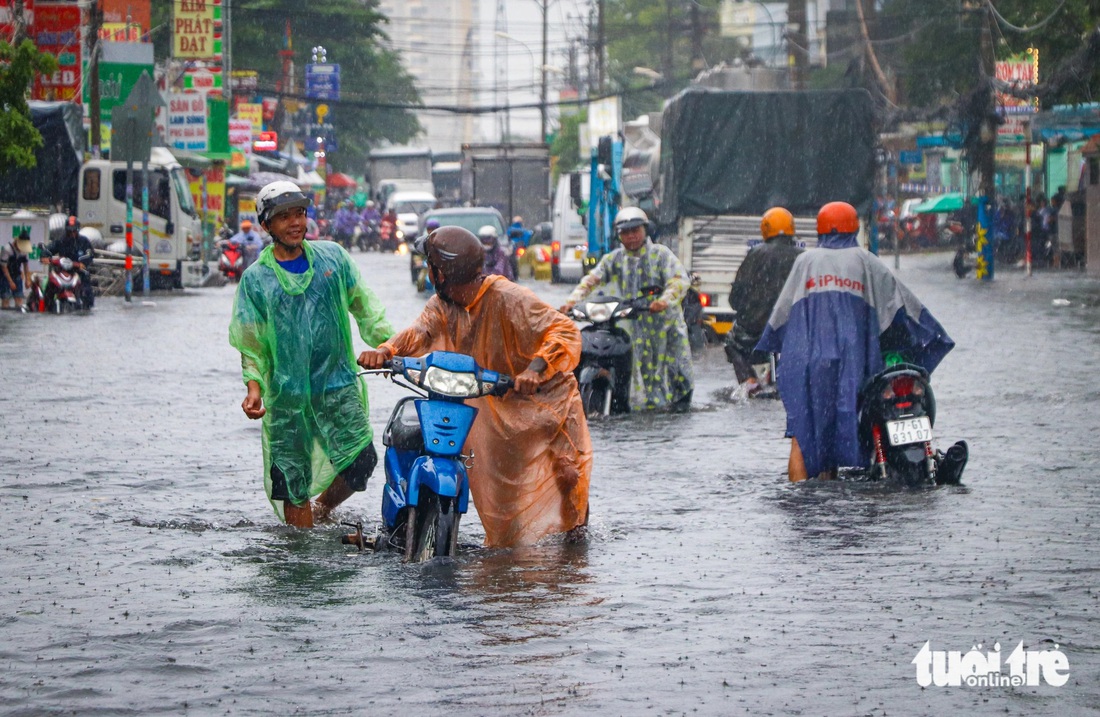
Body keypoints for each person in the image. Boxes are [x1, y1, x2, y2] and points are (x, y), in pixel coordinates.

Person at [359, 226, 592, 548]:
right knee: (500, 491)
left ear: (440, 272)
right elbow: (418, 333)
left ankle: (574, 549)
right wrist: (386, 351)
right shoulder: (442, 305)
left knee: (568, 477)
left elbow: (563, 330)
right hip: (493, 400)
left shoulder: (508, 297)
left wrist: (535, 369)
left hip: (545, 402)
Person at [228, 180, 395, 528]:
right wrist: (253, 389)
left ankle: (323, 510)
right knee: (292, 483)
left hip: (337, 386)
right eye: (284, 216)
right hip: (287, 399)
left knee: (362, 460)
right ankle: (300, 554)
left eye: (300, 214)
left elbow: (366, 308)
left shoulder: (333, 258)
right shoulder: (256, 280)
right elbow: (251, 344)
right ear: (266, 226)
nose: (295, 223)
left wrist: (389, 346)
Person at [756, 201, 955, 482]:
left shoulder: (806, 262)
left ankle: (804, 496)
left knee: (804, 433)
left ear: (820, 229)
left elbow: (782, 319)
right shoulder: (866, 261)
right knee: (851, 417)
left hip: (811, 363)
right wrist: (931, 336)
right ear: (855, 227)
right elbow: (901, 307)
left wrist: (772, 346)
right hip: (855, 362)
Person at [560, 207, 694, 410]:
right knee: (644, 372)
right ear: (619, 235)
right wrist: (571, 302)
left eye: (635, 230)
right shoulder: (614, 259)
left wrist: (664, 301)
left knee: (676, 370)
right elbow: (591, 281)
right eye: (625, 232)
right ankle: (646, 408)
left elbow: (678, 280)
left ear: (645, 230)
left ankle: (678, 408)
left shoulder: (661, 255)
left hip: (665, 326)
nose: (631, 236)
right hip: (635, 326)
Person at [724, 207, 804, 394]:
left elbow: (737, 294)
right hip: (792, 327)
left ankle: (750, 381)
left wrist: (741, 306)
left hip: (756, 328)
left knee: (731, 343)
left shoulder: (756, 254)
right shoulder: (803, 257)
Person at [43, 216, 94, 308]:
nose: (72, 233)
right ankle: (47, 307)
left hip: (79, 273)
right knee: (50, 287)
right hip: (63, 272)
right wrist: (44, 256)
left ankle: (85, 306)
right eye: (69, 231)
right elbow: (49, 249)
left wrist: (83, 263)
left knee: (86, 291)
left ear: (78, 230)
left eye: (74, 231)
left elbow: (90, 254)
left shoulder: (84, 241)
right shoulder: (61, 240)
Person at [1, 229, 32, 310]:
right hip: (5, 275)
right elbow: (3, 267)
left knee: (19, 297)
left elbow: (25, 265)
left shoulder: (24, 251)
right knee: (6, 297)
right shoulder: (7, 249)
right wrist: (10, 281)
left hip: (16, 274)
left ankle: (18, 312)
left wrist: (27, 279)